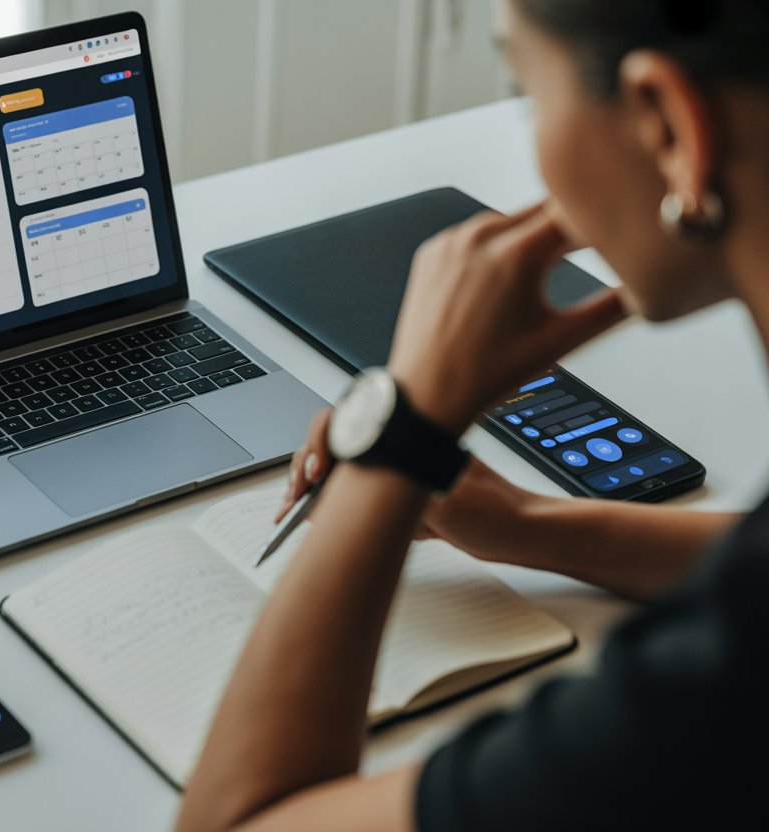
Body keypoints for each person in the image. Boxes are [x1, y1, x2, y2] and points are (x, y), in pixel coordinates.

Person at [175, 1, 769, 829]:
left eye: (524, 89)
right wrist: (530, 523)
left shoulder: (712, 707)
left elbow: (237, 819)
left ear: (668, 123)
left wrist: (402, 430)